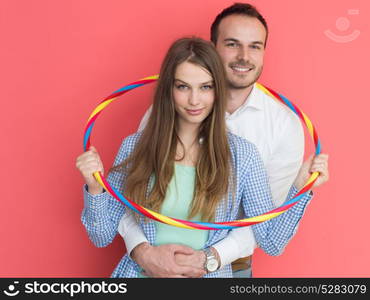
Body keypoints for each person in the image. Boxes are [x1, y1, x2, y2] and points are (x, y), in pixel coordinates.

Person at [76, 37, 329, 278]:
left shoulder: (243, 156)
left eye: (205, 87)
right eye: (183, 86)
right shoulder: (135, 147)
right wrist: (95, 187)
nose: (194, 100)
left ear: (217, 90)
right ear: (168, 89)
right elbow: (101, 235)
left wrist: (301, 187)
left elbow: (272, 242)